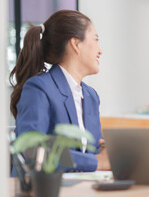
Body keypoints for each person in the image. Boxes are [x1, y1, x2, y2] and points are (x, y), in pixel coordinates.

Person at [10, 10, 110, 172]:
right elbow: (32, 150)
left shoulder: (91, 96)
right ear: (76, 44)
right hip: (39, 193)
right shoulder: (39, 88)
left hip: (81, 191)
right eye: (96, 40)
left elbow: (93, 154)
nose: (100, 51)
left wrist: (106, 153)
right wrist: (96, 162)